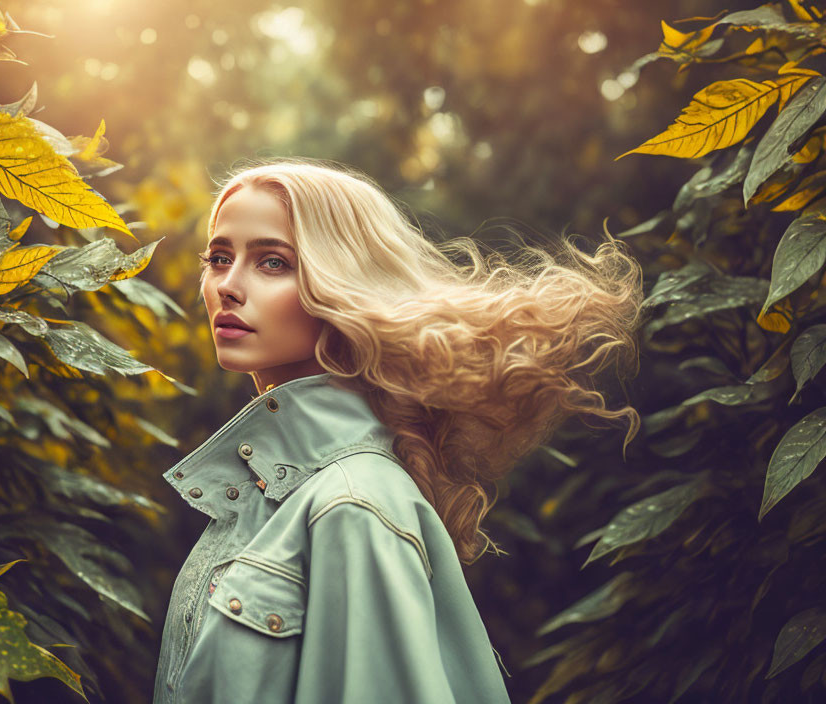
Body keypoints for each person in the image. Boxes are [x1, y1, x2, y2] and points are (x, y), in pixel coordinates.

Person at [152, 158, 642, 703]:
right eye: (219, 258)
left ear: (341, 283)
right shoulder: (282, 496)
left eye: (272, 262)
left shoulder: (350, 504)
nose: (228, 286)